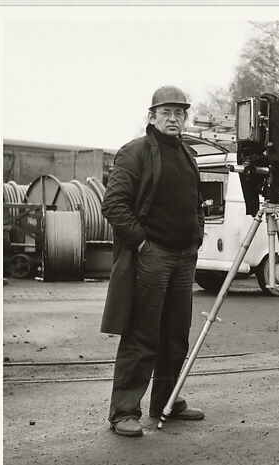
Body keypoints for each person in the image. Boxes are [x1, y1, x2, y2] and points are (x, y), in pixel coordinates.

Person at [100, 85, 205, 437]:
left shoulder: (187, 154)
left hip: (183, 256)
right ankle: (124, 412)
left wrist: (196, 236)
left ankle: (167, 401)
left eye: (179, 113)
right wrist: (142, 240)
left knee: (176, 335)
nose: (174, 119)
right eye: (166, 113)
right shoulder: (135, 152)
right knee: (142, 335)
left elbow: (195, 202)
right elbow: (113, 204)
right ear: (152, 116)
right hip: (152, 255)